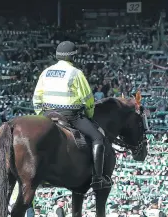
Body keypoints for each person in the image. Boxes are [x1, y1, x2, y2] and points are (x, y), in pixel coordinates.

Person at [32, 41, 111, 189]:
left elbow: (36, 97)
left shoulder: (46, 72)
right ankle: (97, 178)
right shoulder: (76, 73)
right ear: (73, 56)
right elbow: (88, 99)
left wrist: (41, 115)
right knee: (98, 137)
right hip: (70, 115)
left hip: (47, 114)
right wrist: (89, 114)